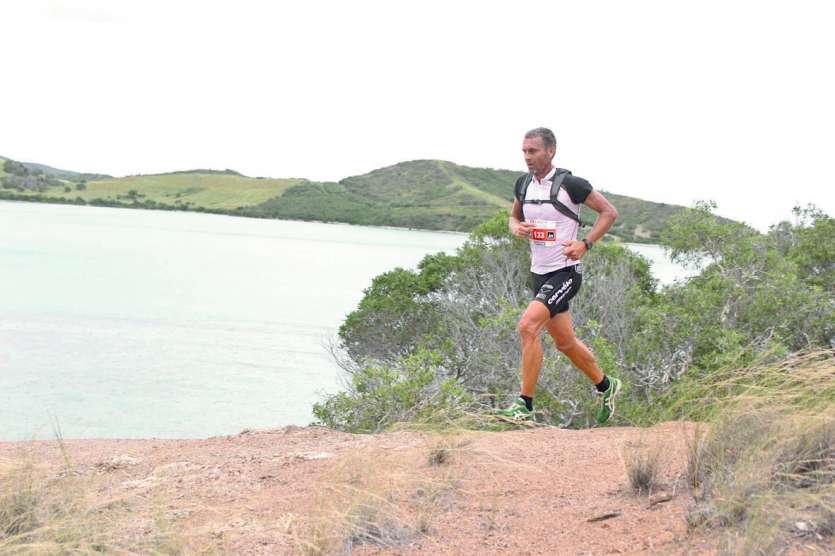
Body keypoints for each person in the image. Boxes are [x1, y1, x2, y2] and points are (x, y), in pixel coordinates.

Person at [496, 127, 621, 425]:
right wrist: (515, 227)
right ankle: (606, 385)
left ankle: (525, 405)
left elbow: (609, 212)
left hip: (565, 272)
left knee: (528, 326)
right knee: (565, 343)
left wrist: (585, 244)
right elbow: (514, 217)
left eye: (533, 151)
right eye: (524, 151)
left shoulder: (570, 184)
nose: (527, 156)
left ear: (550, 151)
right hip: (539, 274)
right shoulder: (523, 184)